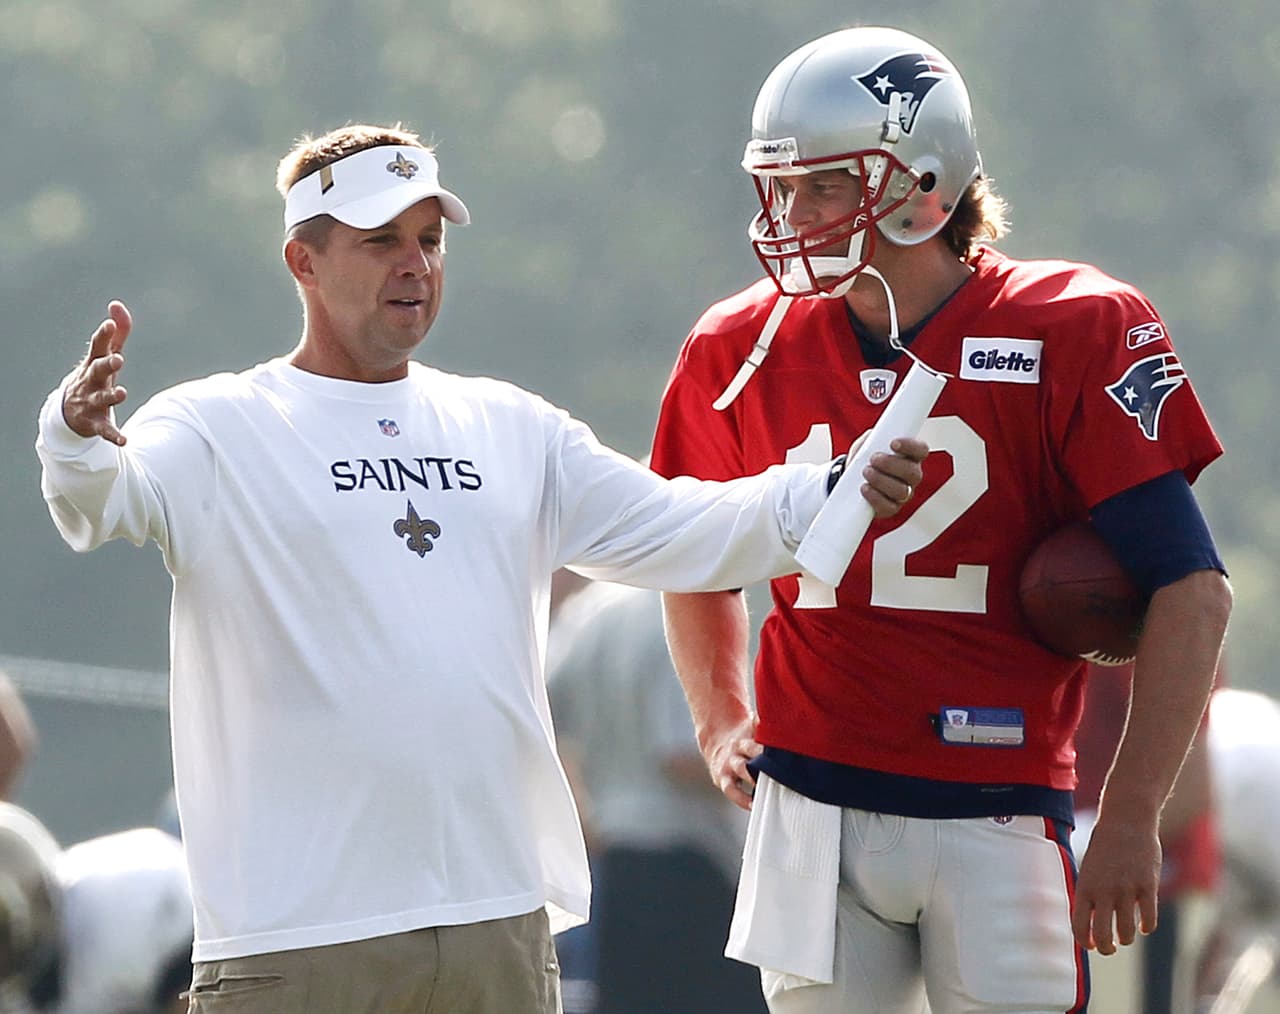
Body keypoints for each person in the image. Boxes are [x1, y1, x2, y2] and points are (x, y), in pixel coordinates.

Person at [34, 123, 926, 1014]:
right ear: (303, 261)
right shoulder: (217, 423)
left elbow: (680, 526)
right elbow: (109, 498)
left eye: (429, 240)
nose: (414, 264)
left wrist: (831, 489)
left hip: (494, 925)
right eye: (380, 240)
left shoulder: (509, 426)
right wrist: (72, 435)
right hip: (294, 935)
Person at [650, 26, 1232, 1014]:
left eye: (824, 186)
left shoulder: (1067, 326)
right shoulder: (739, 341)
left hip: (998, 806)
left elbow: (1191, 591)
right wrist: (718, 719)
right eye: (781, 188)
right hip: (809, 804)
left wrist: (1132, 813)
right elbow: (687, 550)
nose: (791, 214)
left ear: (922, 187)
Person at [548, 579, 766, 1014]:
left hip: (614, 862)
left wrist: (580, 816)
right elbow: (683, 756)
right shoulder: (689, 615)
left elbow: (546, 721)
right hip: (691, 866)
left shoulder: (592, 609)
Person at [1072, 662, 1221, 1014]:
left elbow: (1194, 783)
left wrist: (1086, 844)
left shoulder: (1146, 619)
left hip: (1146, 888)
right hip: (1079, 878)